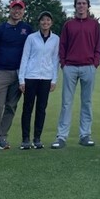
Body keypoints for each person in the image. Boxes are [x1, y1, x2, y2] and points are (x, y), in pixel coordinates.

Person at [0, 0, 33, 151]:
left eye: (20, 9)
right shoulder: (0, 29)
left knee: (11, 106)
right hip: (1, 72)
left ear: (23, 11)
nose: (17, 11)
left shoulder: (27, 29)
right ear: (10, 10)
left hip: (19, 73)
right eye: (14, 8)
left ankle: (2, 136)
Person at [51, 0, 100, 149]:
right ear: (75, 6)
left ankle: (85, 135)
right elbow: (63, 45)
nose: (81, 6)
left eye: (84, 3)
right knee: (66, 103)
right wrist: (64, 64)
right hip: (70, 67)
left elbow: (98, 45)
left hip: (88, 67)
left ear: (88, 6)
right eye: (78, 3)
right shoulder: (68, 25)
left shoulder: (94, 25)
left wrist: (95, 63)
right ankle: (61, 136)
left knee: (86, 102)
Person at [18, 11, 60, 150]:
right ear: (39, 22)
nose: (45, 22)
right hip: (31, 77)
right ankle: (25, 139)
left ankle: (37, 138)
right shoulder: (31, 38)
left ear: (51, 22)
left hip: (46, 78)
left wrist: (54, 79)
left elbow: (55, 60)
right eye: (43, 20)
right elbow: (25, 57)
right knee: (27, 108)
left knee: (41, 109)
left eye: (48, 20)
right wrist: (21, 79)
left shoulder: (55, 39)